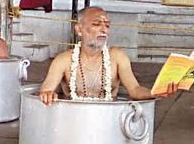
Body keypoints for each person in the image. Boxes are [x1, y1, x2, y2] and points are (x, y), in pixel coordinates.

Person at [38, 6, 177, 105]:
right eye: (97, 24)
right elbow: (46, 90)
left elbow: (135, 90)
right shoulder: (63, 60)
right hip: (73, 125)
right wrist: (48, 95)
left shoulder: (117, 57)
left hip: (109, 125)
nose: (104, 30)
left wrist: (156, 92)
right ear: (79, 29)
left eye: (107, 26)